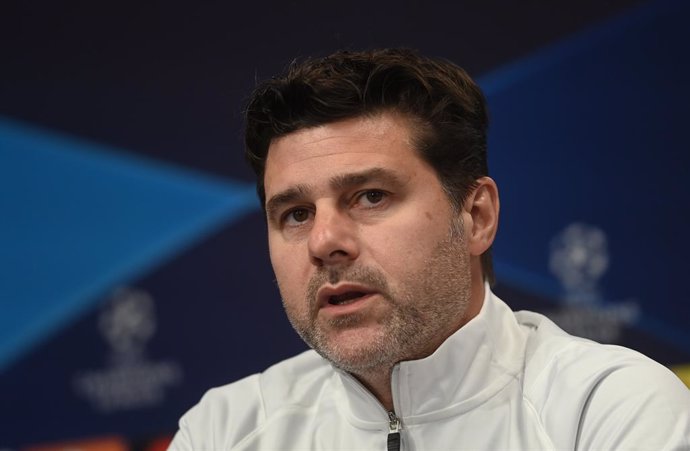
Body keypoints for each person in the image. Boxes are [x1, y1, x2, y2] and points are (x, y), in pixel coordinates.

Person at [169, 48, 690, 450]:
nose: (325, 242)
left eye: (370, 196)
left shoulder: (604, 410)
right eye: (296, 214)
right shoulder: (225, 430)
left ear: (476, 216)